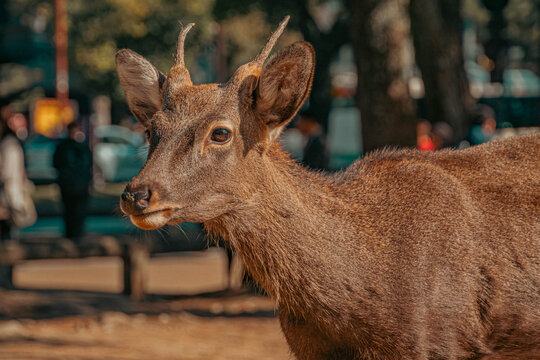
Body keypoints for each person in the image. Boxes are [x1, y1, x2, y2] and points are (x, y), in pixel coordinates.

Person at [0, 108, 36, 240]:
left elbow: (7, 173)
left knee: (7, 225)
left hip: (8, 191)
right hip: (11, 189)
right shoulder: (11, 144)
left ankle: (7, 254)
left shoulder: (8, 146)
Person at [53, 121, 92, 240]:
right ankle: (74, 234)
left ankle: (75, 234)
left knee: (76, 211)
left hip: (76, 185)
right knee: (73, 211)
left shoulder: (76, 147)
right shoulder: (66, 147)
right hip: (72, 185)